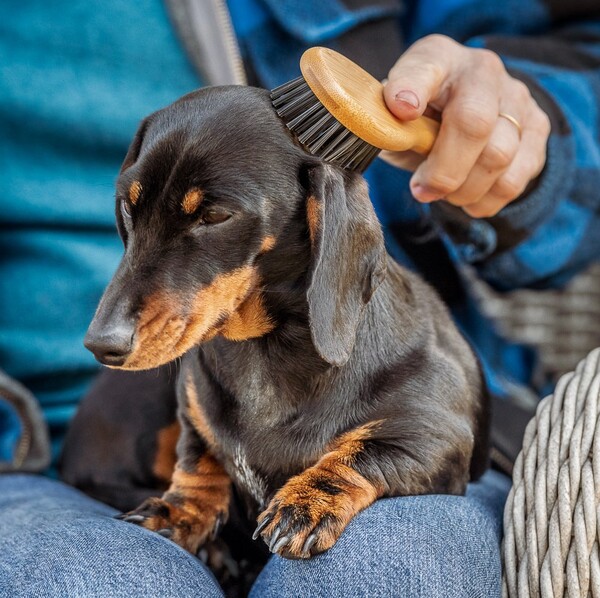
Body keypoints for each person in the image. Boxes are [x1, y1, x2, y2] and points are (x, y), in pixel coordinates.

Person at [1, 0, 599, 595]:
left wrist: (524, 139)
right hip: (43, 454)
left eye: (211, 216)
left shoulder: (327, 221)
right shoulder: (201, 359)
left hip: (400, 419)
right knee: (98, 581)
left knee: (387, 571)